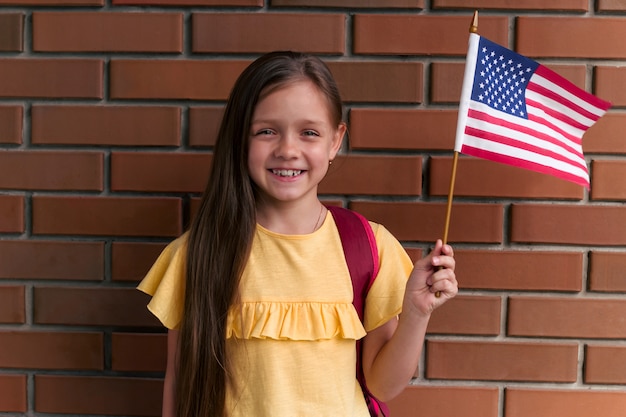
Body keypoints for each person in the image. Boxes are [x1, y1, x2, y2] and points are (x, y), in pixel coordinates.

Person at [138, 51, 458, 417]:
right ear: (240, 139)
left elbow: (383, 385)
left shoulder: (369, 246)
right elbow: (181, 382)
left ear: (335, 141)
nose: (288, 150)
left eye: (309, 132)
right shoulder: (199, 252)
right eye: (266, 131)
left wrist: (416, 313)